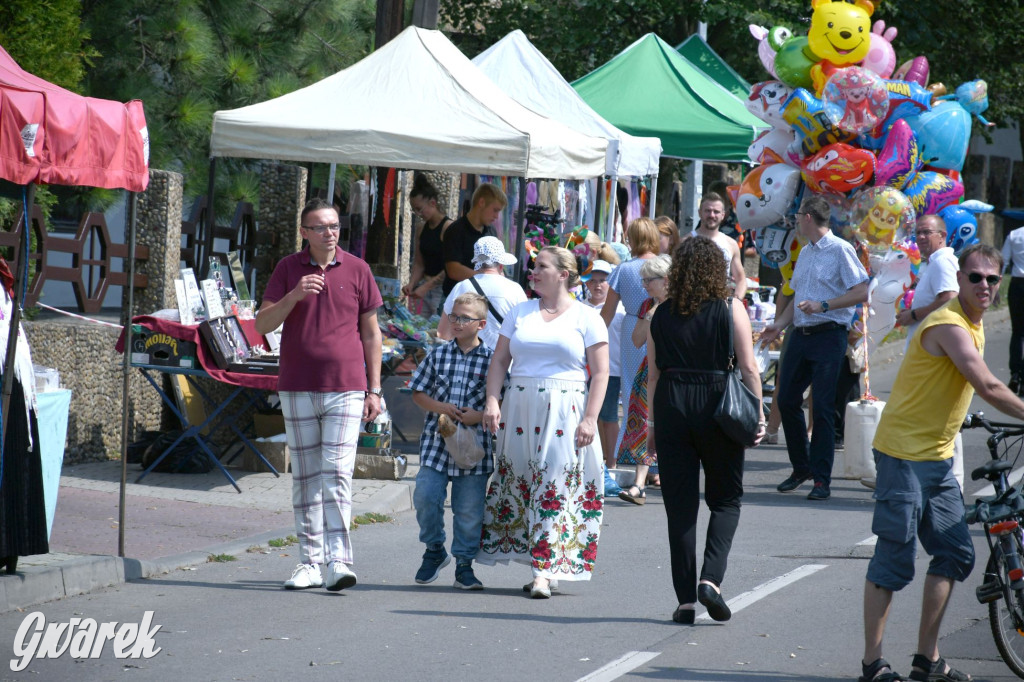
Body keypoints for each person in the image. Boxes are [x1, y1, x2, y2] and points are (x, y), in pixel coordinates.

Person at [859, 244, 1024, 682]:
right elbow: (987, 383)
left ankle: (926, 660)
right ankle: (873, 664)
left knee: (954, 552)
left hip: (934, 455)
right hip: (902, 455)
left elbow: (951, 382)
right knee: (894, 559)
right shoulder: (951, 322)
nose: (984, 285)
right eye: (975, 277)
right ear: (961, 279)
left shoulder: (974, 321)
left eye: (992, 278)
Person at [256, 198, 383, 591]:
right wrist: (294, 295)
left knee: (337, 472)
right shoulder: (287, 269)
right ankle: (309, 562)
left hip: (346, 386)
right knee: (306, 477)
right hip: (296, 385)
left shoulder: (359, 269)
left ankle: (339, 561)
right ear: (305, 233)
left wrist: (375, 390)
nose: (330, 232)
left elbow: (372, 333)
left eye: (335, 226)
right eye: (321, 226)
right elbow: (262, 323)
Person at [479, 246, 609, 599]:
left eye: (541, 267)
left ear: (563, 274)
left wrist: (590, 419)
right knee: (522, 481)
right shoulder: (520, 312)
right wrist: (493, 400)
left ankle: (542, 571)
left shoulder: (587, 317)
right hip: (520, 407)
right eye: (533, 267)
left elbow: (600, 373)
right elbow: (499, 361)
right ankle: (544, 564)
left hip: (566, 409)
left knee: (554, 485)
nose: (532, 272)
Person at [647, 236, 764, 625]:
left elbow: (653, 375)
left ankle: (684, 602)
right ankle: (710, 580)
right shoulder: (731, 308)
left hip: (671, 403)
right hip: (718, 403)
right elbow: (749, 368)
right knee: (726, 499)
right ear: (718, 271)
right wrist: (758, 414)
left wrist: (651, 424)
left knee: (679, 508)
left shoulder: (659, 314)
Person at [761, 195, 869, 501]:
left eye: (797, 216)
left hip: (829, 334)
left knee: (821, 406)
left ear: (809, 217)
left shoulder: (840, 249)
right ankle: (802, 467)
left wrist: (824, 305)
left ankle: (822, 479)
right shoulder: (806, 252)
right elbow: (798, 295)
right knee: (787, 398)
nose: (795, 221)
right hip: (800, 333)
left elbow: (861, 290)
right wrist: (779, 325)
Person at [408, 293, 495, 591]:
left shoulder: (493, 360)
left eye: (464, 318)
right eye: (454, 316)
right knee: (425, 495)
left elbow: (502, 403)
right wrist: (441, 408)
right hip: (437, 441)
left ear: (481, 324)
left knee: (469, 509)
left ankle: (464, 565)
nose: (457, 322)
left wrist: (479, 415)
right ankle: (434, 549)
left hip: (475, 446)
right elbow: (417, 392)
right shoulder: (438, 354)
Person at [602, 218, 660, 473]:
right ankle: (656, 460)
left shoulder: (622, 270)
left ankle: (633, 453)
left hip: (633, 327)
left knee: (631, 391)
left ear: (632, 238)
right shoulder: (664, 265)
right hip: (661, 327)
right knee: (657, 389)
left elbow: (607, 312)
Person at [0, 260, 45, 575]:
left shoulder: (4, 298)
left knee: (12, 464)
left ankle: (10, 548)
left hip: (8, 384)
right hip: (10, 382)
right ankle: (10, 548)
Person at [617, 254, 671, 505]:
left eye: (649, 280)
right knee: (642, 424)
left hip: (674, 371)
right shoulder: (647, 305)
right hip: (649, 370)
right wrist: (650, 314)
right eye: (643, 280)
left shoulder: (683, 304)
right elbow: (637, 341)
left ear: (667, 279)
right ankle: (639, 485)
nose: (645, 285)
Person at [436, 236, 527, 351]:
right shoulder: (515, 289)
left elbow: (443, 333)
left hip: (469, 362)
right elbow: (524, 333)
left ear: (477, 263)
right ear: (501, 264)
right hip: (505, 363)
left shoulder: (462, 287)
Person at [585, 259, 626, 497]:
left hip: (611, 370)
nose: (598, 285)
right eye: (593, 280)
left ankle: (611, 464)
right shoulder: (580, 307)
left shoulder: (619, 312)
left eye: (603, 281)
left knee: (608, 416)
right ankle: (596, 461)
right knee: (591, 417)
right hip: (586, 370)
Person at [898, 215, 959, 341]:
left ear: (942, 235)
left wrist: (914, 315)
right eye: (918, 233)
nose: (920, 237)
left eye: (926, 232)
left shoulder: (943, 261)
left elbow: (950, 298)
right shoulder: (935, 262)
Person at [441, 183, 507, 298]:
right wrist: (486, 279)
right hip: (458, 301)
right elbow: (454, 270)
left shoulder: (491, 231)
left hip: (485, 301)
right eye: (495, 210)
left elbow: (499, 264)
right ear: (481, 202)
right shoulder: (455, 230)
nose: (496, 216)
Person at [402, 174, 454, 315]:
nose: (418, 214)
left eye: (420, 209)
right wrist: (412, 284)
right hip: (424, 287)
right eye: (414, 210)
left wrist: (426, 287)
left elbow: (451, 267)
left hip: (441, 289)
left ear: (432, 203)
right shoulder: (421, 228)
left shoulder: (448, 227)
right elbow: (419, 263)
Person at [687, 193, 747, 299]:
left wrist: (736, 301)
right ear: (699, 212)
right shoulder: (686, 242)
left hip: (720, 304)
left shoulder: (731, 244)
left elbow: (741, 279)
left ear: (723, 215)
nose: (712, 215)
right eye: (707, 211)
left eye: (716, 212)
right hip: (692, 305)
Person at [1002, 221, 1024, 394]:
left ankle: (1015, 374)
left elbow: (1002, 262)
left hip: (1017, 285)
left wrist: (994, 288)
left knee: (1018, 332)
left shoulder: (1015, 234)